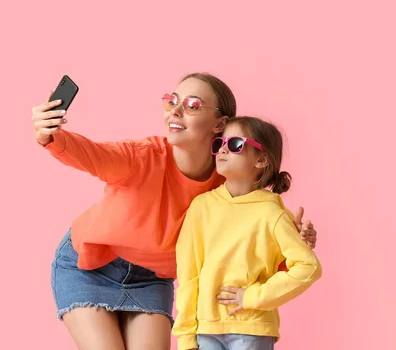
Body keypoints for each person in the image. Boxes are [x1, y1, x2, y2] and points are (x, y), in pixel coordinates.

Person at [31, 73, 318, 350]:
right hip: (88, 267)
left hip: (151, 279)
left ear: (220, 123)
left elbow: (252, 248)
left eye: (193, 105)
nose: (176, 111)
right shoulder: (141, 156)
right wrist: (50, 134)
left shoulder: (229, 184)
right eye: (171, 101)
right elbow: (90, 154)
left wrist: (292, 243)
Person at [172, 116, 322, 350]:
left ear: (261, 159)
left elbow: (308, 267)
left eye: (234, 144)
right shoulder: (200, 207)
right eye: (219, 143)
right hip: (206, 329)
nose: (222, 149)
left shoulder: (273, 213)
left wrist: (253, 297)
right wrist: (185, 336)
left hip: (253, 328)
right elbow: (188, 275)